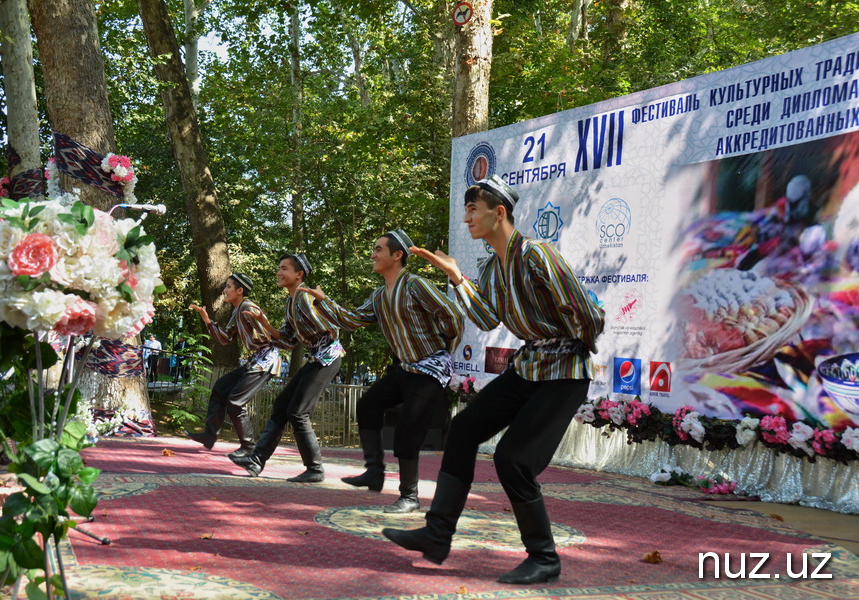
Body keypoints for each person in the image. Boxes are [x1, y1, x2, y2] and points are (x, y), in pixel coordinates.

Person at [382, 176, 605, 584]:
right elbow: (486, 318)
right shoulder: (491, 266)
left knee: (513, 459)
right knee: (464, 428)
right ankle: (437, 535)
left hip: (562, 373)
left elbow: (585, 314)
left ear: (497, 212)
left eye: (472, 209)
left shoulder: (537, 254)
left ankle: (544, 557)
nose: (466, 217)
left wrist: (577, 350)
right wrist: (455, 276)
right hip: (527, 367)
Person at [299, 229, 464, 512]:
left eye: (378, 249)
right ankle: (375, 471)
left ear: (397, 255)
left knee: (407, 433)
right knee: (368, 405)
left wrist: (445, 347)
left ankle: (410, 497)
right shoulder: (378, 295)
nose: (372, 254)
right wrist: (322, 301)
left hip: (431, 369)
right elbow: (351, 320)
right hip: (406, 367)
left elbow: (452, 315)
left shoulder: (416, 285)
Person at [231, 254, 343, 483]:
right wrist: (263, 323)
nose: (279, 273)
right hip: (316, 358)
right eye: (278, 268)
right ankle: (256, 460)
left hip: (328, 357)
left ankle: (315, 469)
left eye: (284, 269)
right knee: (282, 405)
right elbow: (287, 341)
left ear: (299, 274)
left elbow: (329, 327)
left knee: (298, 412)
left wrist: (321, 308)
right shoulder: (290, 301)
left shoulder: (304, 298)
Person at [187, 273, 281, 459]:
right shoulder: (237, 311)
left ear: (240, 290)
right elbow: (225, 338)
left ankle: (248, 447)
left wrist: (257, 331)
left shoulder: (248, 307)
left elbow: (267, 335)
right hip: (255, 360)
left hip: (266, 361)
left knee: (236, 401)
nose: (225, 290)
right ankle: (209, 434)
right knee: (221, 387)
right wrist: (207, 320)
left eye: (228, 286)